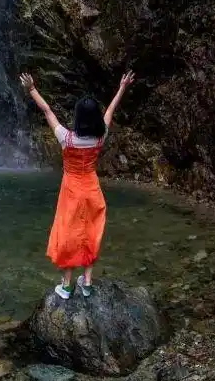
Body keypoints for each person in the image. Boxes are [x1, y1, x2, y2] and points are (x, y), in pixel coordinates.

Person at [19, 72, 135, 299]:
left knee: (69, 235)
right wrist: (122, 87)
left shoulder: (66, 138)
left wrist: (32, 89)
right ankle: (87, 282)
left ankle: (66, 285)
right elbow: (110, 112)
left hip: (71, 191)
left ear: (78, 117)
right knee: (90, 233)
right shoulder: (100, 138)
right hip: (92, 189)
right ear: (95, 119)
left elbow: (47, 111)